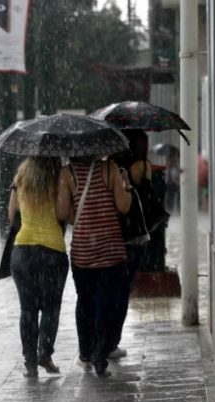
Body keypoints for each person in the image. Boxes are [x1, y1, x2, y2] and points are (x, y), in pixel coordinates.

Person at [57, 155, 131, 377]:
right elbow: (124, 206)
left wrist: (80, 217)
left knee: (85, 302)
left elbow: (61, 213)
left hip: (83, 252)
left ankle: (86, 353)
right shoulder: (110, 169)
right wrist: (125, 185)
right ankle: (101, 354)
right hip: (110, 249)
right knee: (107, 304)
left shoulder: (67, 173)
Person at [8, 157, 69, 378]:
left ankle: (30, 362)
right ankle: (45, 353)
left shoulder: (21, 175)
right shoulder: (59, 176)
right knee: (51, 308)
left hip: (22, 251)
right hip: (52, 250)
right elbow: (63, 214)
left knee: (28, 309)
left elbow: (11, 213)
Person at [110, 129, 155, 359]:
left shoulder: (113, 167)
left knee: (110, 290)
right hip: (136, 236)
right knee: (123, 291)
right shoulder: (143, 166)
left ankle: (103, 338)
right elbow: (148, 198)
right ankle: (113, 341)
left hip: (114, 234)